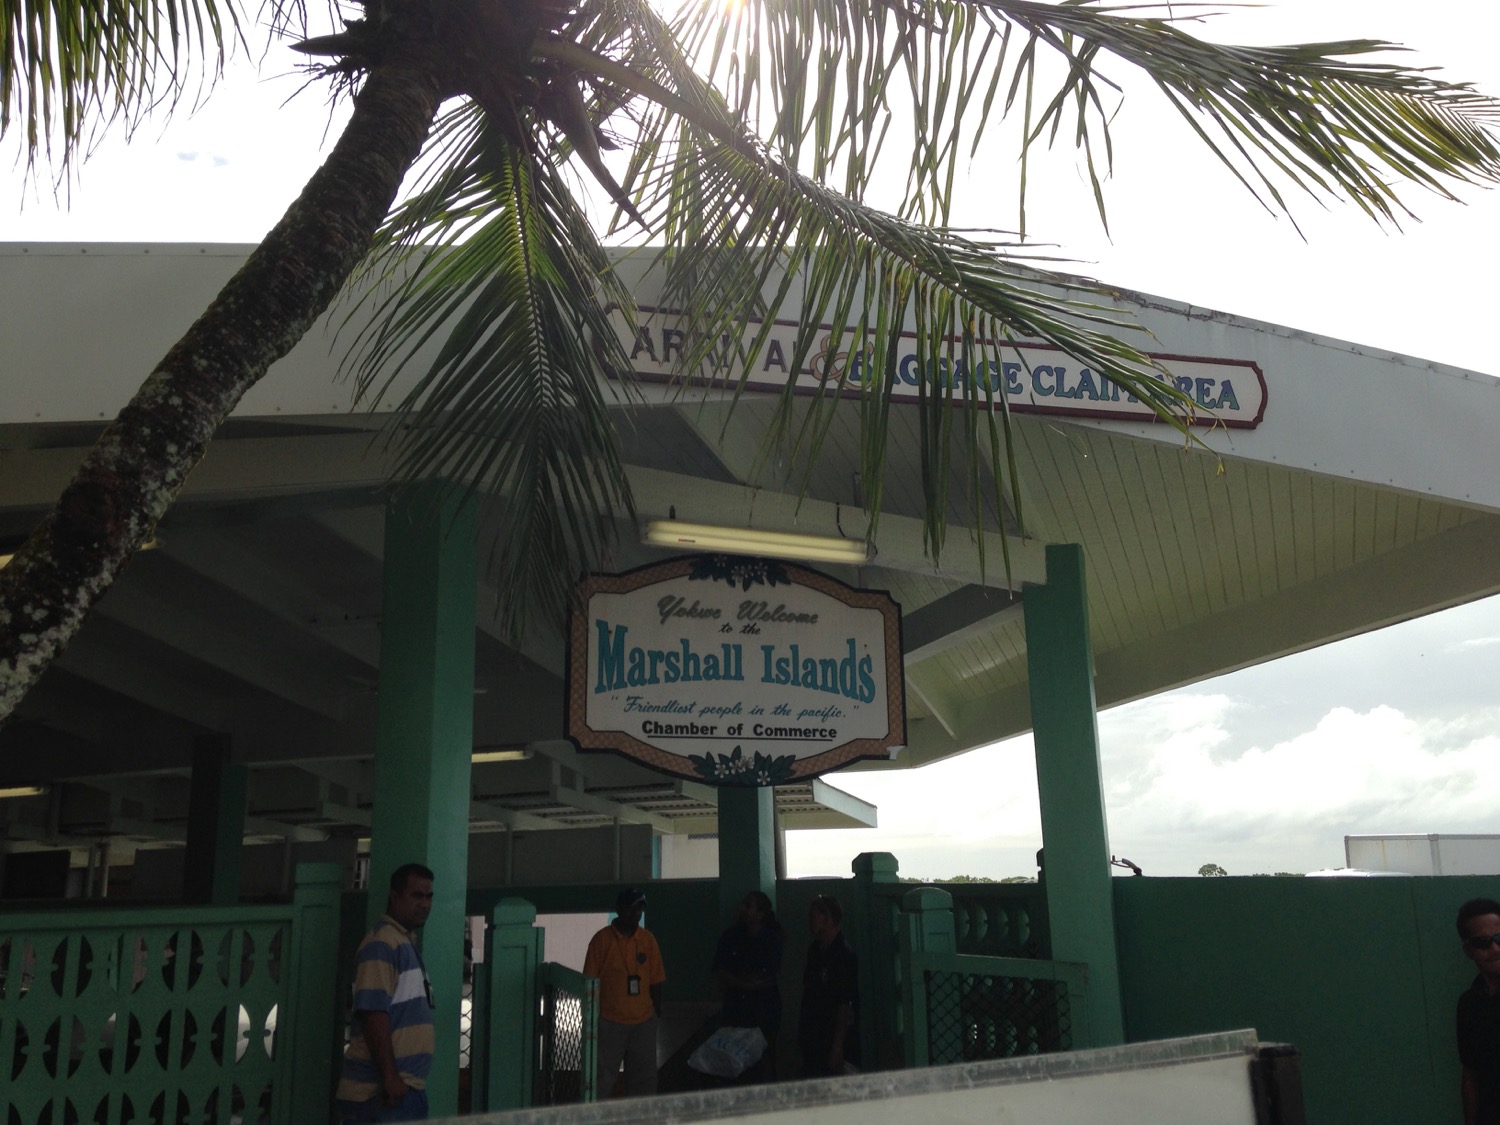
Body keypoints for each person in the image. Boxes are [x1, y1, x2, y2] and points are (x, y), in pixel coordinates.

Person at [335, 863, 437, 1123]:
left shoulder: (404, 943)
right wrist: (391, 1078)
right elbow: (372, 1013)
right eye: (417, 896)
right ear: (395, 897)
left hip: (400, 1092)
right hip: (379, 1094)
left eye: (429, 897)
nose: (424, 904)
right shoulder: (382, 944)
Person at [584, 888, 667, 1098]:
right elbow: (589, 982)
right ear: (619, 909)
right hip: (610, 1022)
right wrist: (592, 1019)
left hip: (643, 1023)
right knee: (602, 1079)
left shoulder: (648, 940)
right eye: (632, 908)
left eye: (640, 909)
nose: (637, 913)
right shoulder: (601, 940)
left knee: (644, 1081)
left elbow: (657, 980)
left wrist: (655, 1014)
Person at [710, 890, 785, 1080]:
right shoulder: (731, 936)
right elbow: (719, 970)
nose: (742, 909)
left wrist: (735, 980)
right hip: (736, 1010)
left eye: (748, 906)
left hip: (763, 1011)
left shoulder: (771, 939)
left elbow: (762, 976)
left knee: (763, 1062)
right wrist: (744, 983)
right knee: (733, 1064)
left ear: (760, 914)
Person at [797, 893, 859, 1078]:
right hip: (813, 1036)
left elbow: (844, 1004)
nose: (809, 921)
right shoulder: (815, 950)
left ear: (826, 919)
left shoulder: (844, 955)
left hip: (832, 1037)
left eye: (813, 916)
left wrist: (837, 1047)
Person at [1457, 897, 1500, 1125]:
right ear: (1468, 950)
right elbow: (1471, 1075)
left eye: (1499, 938)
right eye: (1483, 943)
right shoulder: (1469, 1005)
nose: (1494, 948)